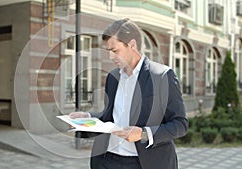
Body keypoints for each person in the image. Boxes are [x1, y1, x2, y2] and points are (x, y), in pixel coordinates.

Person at [69, 18, 188, 169]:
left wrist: (144, 134)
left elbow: (180, 124)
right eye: (109, 51)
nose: (111, 57)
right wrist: (87, 118)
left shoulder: (162, 76)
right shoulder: (113, 77)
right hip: (107, 160)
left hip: (144, 163)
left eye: (115, 51)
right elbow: (110, 118)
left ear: (132, 45)